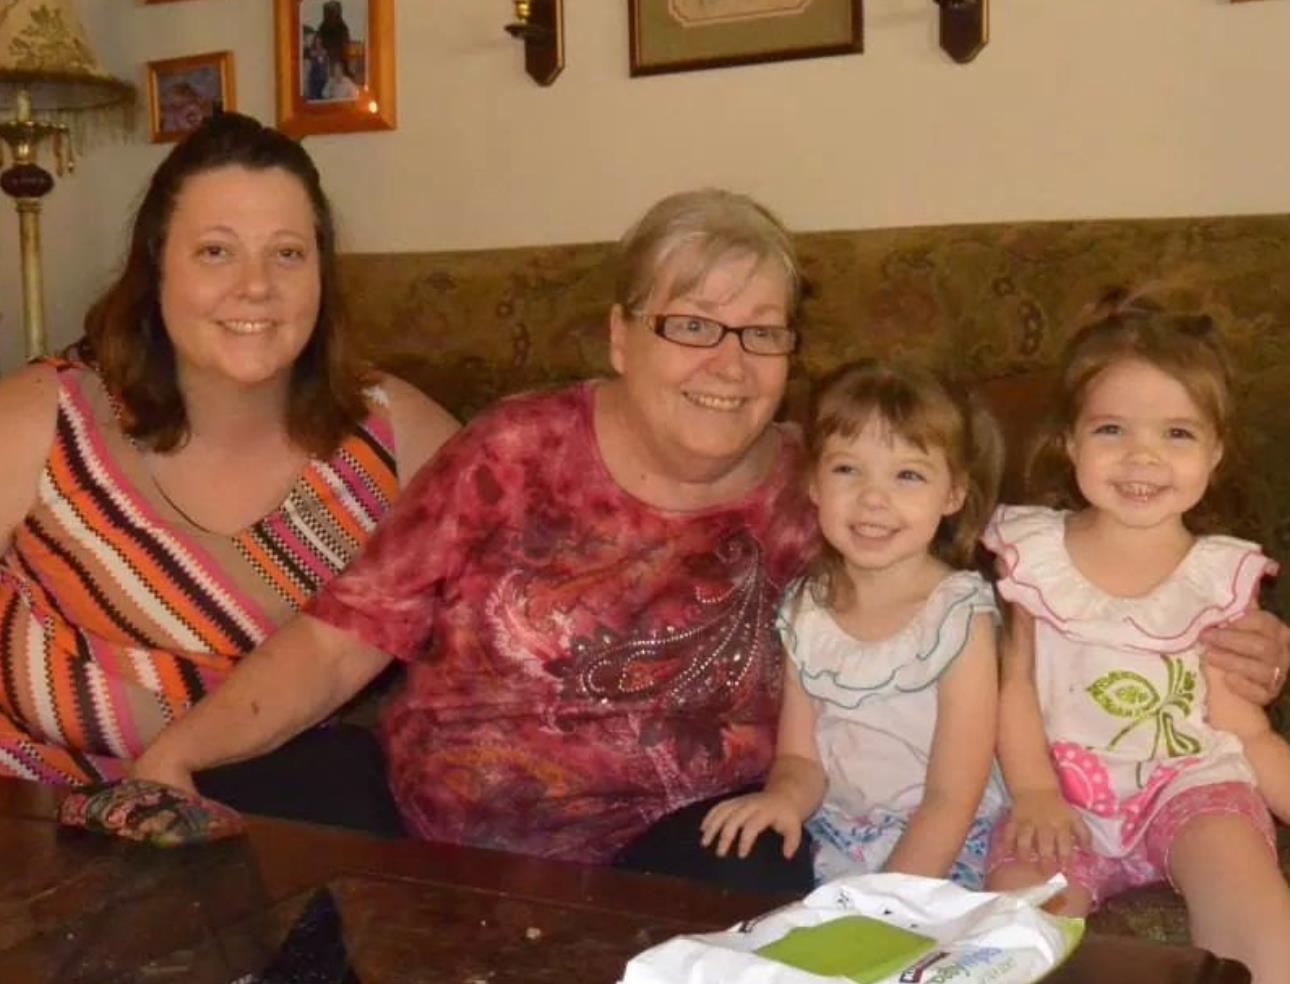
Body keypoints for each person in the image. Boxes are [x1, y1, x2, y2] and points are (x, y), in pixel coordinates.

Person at [132, 188, 819, 874]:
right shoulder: (514, 451)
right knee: (237, 812)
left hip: (669, 860)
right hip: (419, 833)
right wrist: (178, 755)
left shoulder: (820, 493)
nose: (730, 364)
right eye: (693, 325)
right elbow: (344, 639)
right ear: (621, 337)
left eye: (762, 332)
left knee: (762, 857)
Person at [0, 112, 458, 833]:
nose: (256, 287)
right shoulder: (41, 416)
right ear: (156, 271)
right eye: (216, 252)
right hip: (30, 820)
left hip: (263, 841)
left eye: (287, 254)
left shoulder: (401, 438)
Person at [982, 295, 1290, 982]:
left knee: (1249, 890)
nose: (1142, 457)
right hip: (1059, 795)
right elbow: (1012, 685)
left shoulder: (1220, 575)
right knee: (1011, 926)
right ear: (1069, 441)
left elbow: (1244, 728)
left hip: (1190, 789)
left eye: (1177, 434)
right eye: (1113, 430)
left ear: (1216, 449)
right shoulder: (1033, 557)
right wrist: (1032, 790)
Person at [700, 360, 1007, 888]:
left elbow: (951, 797)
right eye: (847, 469)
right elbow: (800, 758)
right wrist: (780, 800)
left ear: (953, 494)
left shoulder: (959, 617)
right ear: (815, 482)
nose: (873, 498)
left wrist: (885, 902)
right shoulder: (807, 607)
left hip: (940, 847)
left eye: (908, 475)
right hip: (838, 835)